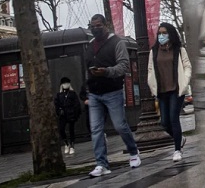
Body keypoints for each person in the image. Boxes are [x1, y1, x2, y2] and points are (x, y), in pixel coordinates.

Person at [85, 14, 140, 177]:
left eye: (98, 26)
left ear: (105, 25)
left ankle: (133, 151)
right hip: (94, 92)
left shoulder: (117, 42)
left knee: (119, 125)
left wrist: (107, 72)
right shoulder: (89, 45)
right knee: (96, 129)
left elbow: (124, 66)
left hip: (112, 91)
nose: (95, 29)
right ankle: (101, 164)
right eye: (92, 26)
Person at [147, 22, 193, 162]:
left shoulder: (179, 50)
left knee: (174, 119)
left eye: (164, 33)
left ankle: (177, 150)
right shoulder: (154, 51)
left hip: (176, 89)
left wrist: (184, 82)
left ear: (171, 34)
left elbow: (187, 67)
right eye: (159, 33)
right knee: (165, 123)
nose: (161, 36)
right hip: (161, 91)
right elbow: (150, 70)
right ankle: (180, 139)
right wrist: (152, 84)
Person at [55, 77, 81, 155]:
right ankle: (66, 144)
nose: (65, 84)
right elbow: (56, 104)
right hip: (63, 114)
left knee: (71, 130)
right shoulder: (59, 95)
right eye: (64, 83)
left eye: (67, 83)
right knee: (61, 129)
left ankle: (72, 145)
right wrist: (59, 112)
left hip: (71, 113)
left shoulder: (72, 94)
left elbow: (77, 104)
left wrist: (75, 113)